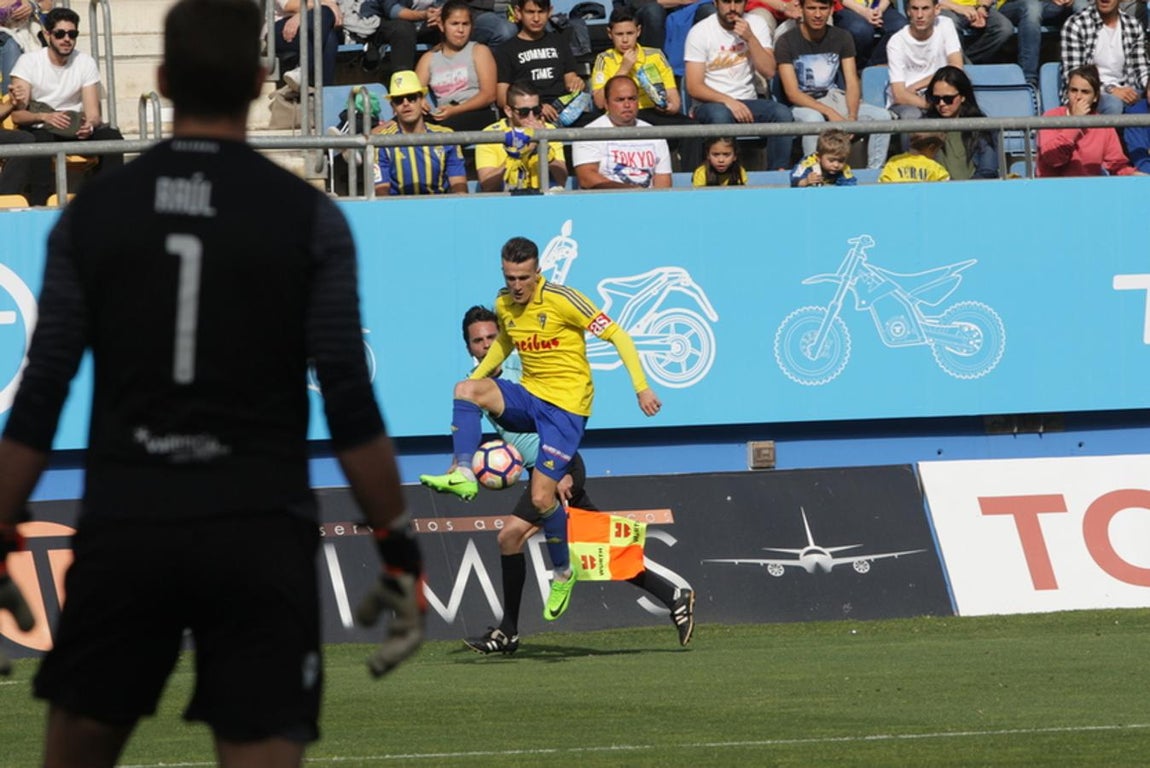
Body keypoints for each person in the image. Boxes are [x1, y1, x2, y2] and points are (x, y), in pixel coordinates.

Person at [0, 2, 424, 767]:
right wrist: (397, 549)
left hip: (129, 523)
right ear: (263, 82)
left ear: (163, 82)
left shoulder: (94, 214)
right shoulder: (308, 216)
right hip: (259, 530)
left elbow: (40, 396)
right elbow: (352, 403)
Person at [419, 237, 662, 622]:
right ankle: (464, 471)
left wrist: (641, 387)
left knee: (542, 497)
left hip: (566, 411)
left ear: (538, 274)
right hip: (532, 398)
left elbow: (618, 335)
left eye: (523, 277)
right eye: (510, 277)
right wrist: (480, 379)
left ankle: (563, 571)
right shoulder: (503, 304)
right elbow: (502, 348)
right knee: (465, 390)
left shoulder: (565, 300)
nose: (516, 285)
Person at [455, 306, 694, 654]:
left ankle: (508, 632)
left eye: (493, 337)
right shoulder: (478, 385)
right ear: (470, 349)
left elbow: (563, 419)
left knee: (509, 537)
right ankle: (675, 595)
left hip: (560, 468)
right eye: (479, 341)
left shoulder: (526, 370)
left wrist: (562, 471)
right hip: (541, 475)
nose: (486, 344)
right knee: (601, 546)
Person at [8, 6, 123, 207]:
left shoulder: (85, 62)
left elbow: (94, 113)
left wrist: (90, 125)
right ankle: (40, 204)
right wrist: (44, 117)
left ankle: (111, 203)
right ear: (47, 34)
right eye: (60, 34)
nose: (66, 39)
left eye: (72, 34)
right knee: (38, 142)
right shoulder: (29, 62)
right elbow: (18, 116)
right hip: (41, 126)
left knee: (112, 137)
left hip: (73, 125)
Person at [775, 0, 892, 169]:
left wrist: (852, 116)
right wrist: (829, 112)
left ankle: (874, 173)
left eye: (823, 8)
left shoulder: (842, 37)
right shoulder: (786, 41)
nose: (817, 14)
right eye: (811, 8)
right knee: (813, 120)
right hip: (803, 103)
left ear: (831, 10)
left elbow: (852, 81)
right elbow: (792, 93)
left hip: (834, 98)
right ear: (801, 9)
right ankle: (813, 173)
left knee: (882, 117)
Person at [684, 0, 796, 171]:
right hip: (710, 104)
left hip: (747, 101)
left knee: (782, 113)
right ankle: (724, 176)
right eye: (726, 2)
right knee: (721, 115)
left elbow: (769, 71)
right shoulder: (700, 31)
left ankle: (777, 175)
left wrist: (750, 39)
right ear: (715, 3)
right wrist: (729, 101)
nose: (732, 8)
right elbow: (694, 86)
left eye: (738, 2)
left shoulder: (756, 24)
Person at [591, 8, 702, 169]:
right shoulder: (604, 59)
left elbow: (675, 102)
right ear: (610, 34)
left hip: (652, 112)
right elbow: (600, 102)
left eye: (629, 33)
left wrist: (667, 107)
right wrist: (624, 68)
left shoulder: (655, 55)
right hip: (619, 116)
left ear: (638, 31)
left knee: (693, 129)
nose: (625, 40)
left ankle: (692, 181)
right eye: (619, 34)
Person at [373, 69, 469, 195]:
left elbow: (459, 188)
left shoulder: (446, 136)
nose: (405, 103)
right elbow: (381, 193)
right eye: (398, 100)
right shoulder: (382, 142)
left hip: (438, 208)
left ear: (422, 101)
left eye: (412, 98)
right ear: (393, 107)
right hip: (398, 209)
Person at [494, 0, 588, 125]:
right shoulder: (506, 50)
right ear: (518, 12)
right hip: (527, 114)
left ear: (550, 12)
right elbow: (502, 98)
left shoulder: (560, 42)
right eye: (530, 12)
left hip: (562, 112)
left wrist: (576, 83)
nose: (536, 18)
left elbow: (570, 78)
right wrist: (536, 108)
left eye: (541, 12)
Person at [1038, 64, 1142, 176]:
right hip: (1053, 189)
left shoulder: (1102, 125)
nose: (1078, 96)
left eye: (1085, 92)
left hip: (1089, 190)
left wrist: (1135, 175)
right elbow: (1054, 159)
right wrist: (1075, 122)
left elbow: (1116, 165)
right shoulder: (1051, 117)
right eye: (1073, 90)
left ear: (1095, 97)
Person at [573, 75, 674, 189]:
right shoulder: (589, 134)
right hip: (606, 202)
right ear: (606, 103)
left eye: (632, 99)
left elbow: (663, 183)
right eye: (620, 100)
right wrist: (631, 191)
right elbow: (586, 179)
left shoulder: (655, 134)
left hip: (647, 203)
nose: (627, 105)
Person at [414, 0, 498, 133]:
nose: (460, 30)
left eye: (465, 24)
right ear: (442, 26)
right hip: (443, 115)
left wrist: (455, 110)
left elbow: (489, 95)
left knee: (436, 132)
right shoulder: (429, 58)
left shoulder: (479, 51)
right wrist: (420, 101)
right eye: (454, 24)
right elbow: (414, 92)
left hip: (478, 112)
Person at [1060, 0, 1148, 114]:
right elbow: (1074, 76)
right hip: (1088, 94)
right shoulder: (1076, 24)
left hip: (1127, 91)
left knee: (1143, 102)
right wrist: (1111, 90)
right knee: (1113, 104)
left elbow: (1141, 69)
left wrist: (1148, 86)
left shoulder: (1133, 25)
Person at [476, 81, 567, 191]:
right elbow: (488, 186)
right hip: (505, 201)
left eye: (536, 110)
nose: (532, 117)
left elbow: (562, 180)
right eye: (524, 112)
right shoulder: (490, 134)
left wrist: (544, 147)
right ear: (508, 111)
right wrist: (517, 154)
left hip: (541, 199)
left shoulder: (548, 130)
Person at [884, 0, 964, 120]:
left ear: (936, 9)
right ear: (908, 11)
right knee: (912, 115)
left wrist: (917, 86)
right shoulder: (896, 42)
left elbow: (956, 67)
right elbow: (899, 95)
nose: (920, 15)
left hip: (939, 96)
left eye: (925, 8)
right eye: (915, 9)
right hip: (908, 102)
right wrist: (935, 106)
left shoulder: (945, 25)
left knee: (969, 110)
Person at [923, 65, 998, 179]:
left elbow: (988, 170)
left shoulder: (982, 126)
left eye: (948, 99)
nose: (942, 104)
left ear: (963, 97)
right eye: (936, 99)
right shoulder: (923, 127)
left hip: (975, 192)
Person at [1000, 0, 1079, 87]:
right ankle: (1028, 80)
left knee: (1083, 6)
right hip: (1017, 5)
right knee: (1032, 8)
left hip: (1056, 6)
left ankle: (1085, 79)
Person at [272, 0, 342, 86]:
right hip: (282, 25)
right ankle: (325, 93)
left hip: (316, 21)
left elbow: (334, 10)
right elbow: (289, 6)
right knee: (328, 34)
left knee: (328, 32)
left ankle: (303, 71)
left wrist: (302, 15)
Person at [833, 0, 907, 68]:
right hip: (848, 7)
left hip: (881, 7)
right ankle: (859, 67)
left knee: (901, 27)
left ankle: (873, 66)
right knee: (861, 30)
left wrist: (878, 10)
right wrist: (864, 12)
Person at [0, 0, 52, 92]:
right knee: (11, 46)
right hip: (6, 38)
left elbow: (47, 3)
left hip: (27, 34)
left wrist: (33, 6)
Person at [938, 0, 1011, 64]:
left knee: (1004, 28)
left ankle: (966, 61)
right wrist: (959, 8)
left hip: (975, 7)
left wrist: (982, 7)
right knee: (951, 25)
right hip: (946, 7)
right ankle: (959, 63)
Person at [789, 126, 857, 185]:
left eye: (841, 160)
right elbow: (794, 179)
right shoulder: (807, 164)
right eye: (831, 160)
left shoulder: (844, 169)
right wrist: (806, 181)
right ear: (819, 157)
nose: (836, 165)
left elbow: (850, 186)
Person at [878, 129, 951, 181]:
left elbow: (884, 186)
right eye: (937, 150)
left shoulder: (894, 161)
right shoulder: (935, 167)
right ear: (931, 147)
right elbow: (945, 191)